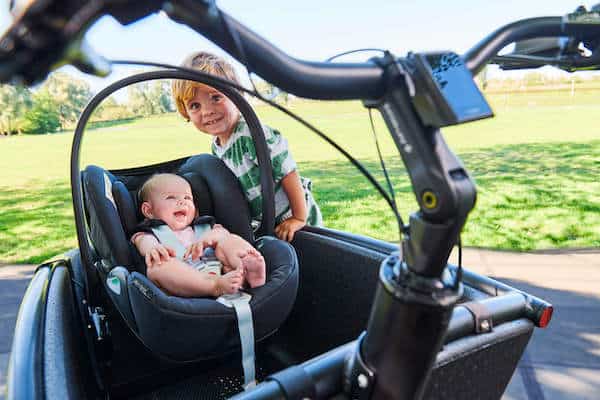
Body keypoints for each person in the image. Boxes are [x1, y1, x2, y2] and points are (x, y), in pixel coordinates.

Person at [172, 51, 323, 242]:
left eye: (215, 98)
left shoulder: (250, 134)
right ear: (185, 112)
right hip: (267, 222)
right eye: (195, 105)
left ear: (237, 95)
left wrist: (298, 217)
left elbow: (287, 171)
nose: (207, 111)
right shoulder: (218, 146)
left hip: (294, 216)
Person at [131, 173, 266, 298]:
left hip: (220, 269)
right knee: (157, 266)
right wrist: (152, 249)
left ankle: (247, 268)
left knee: (228, 239)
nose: (182, 202)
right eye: (171, 198)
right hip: (181, 281)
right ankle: (214, 286)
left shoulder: (205, 226)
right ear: (148, 211)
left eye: (187, 198)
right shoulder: (150, 233)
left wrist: (212, 237)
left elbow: (223, 233)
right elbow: (142, 241)